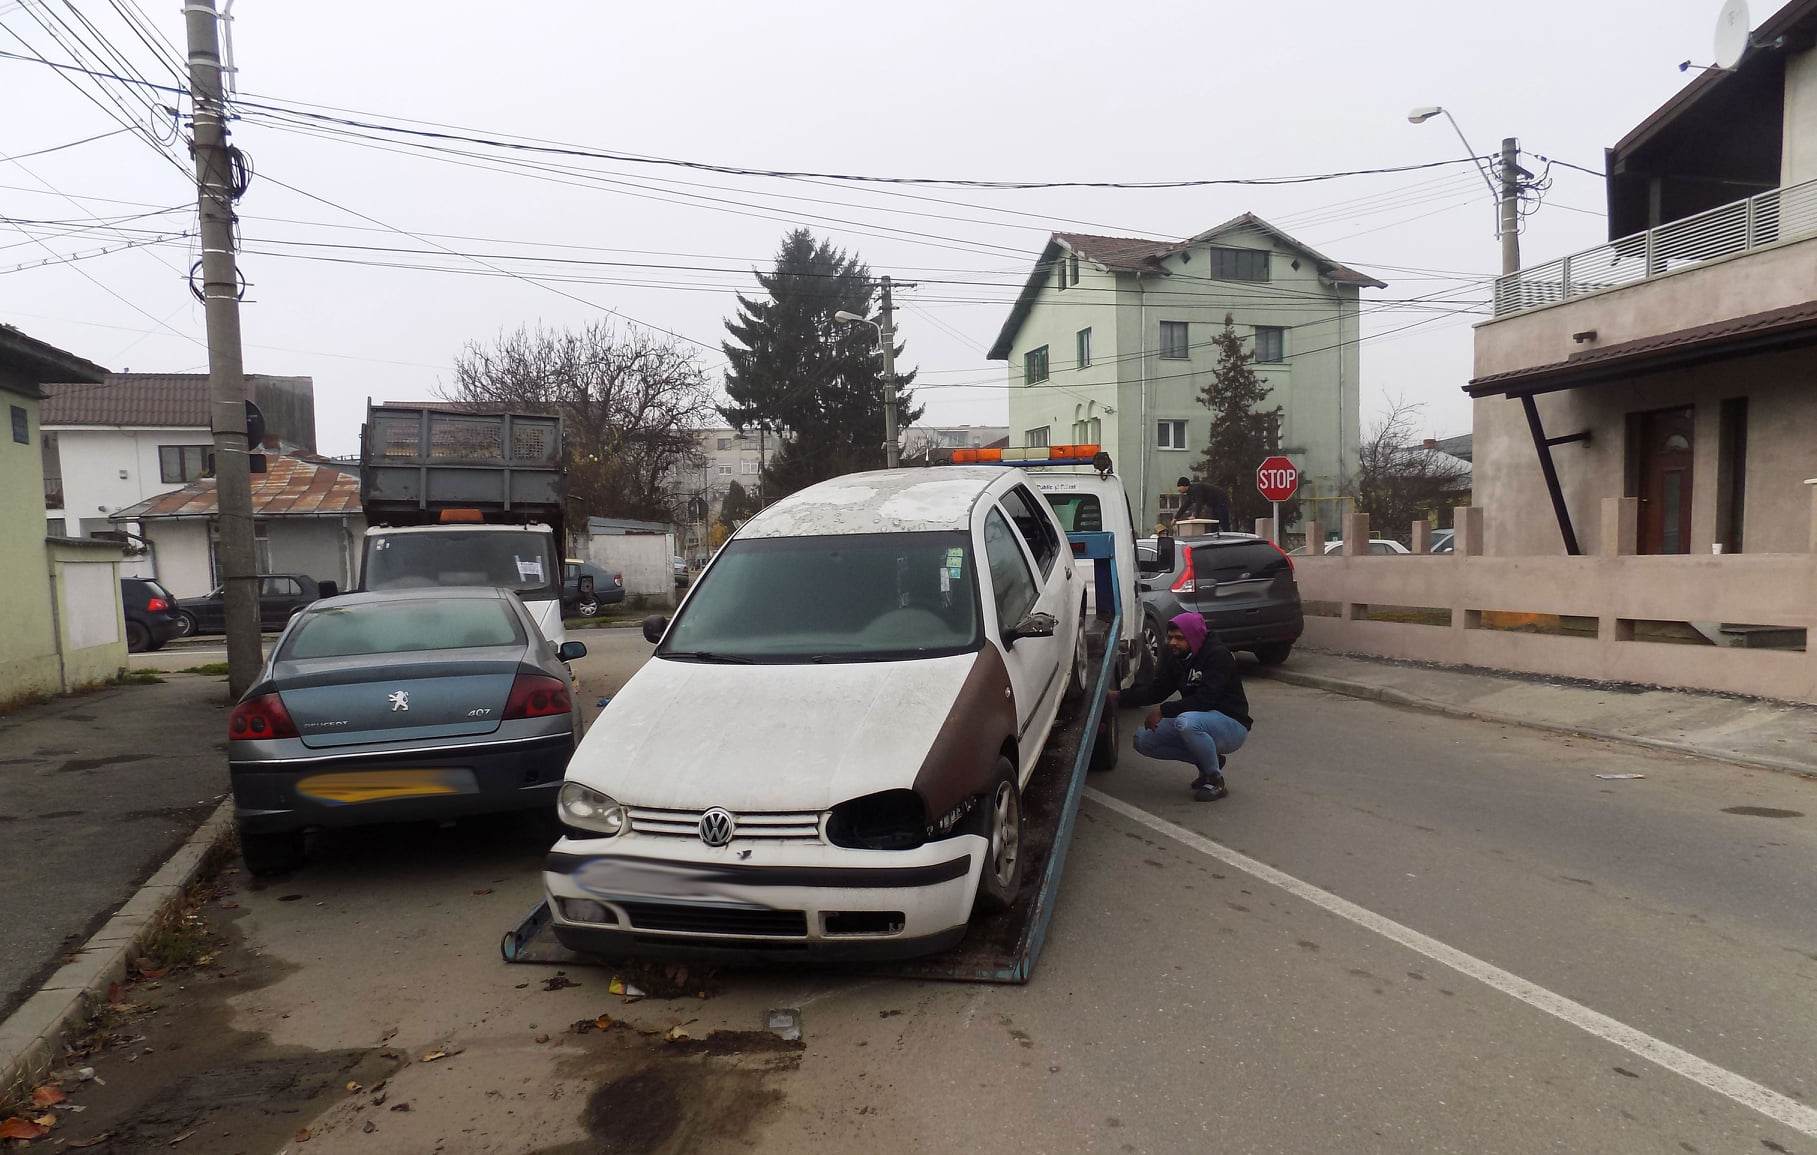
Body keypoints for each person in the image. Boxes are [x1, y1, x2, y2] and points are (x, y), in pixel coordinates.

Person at [1112, 612, 1251, 801]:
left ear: (1194, 637)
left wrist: (1163, 710)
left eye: (1179, 638)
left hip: (1232, 725)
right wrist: (1118, 696)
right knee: (1143, 740)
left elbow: (1205, 700)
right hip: (1199, 720)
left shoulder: (1218, 655)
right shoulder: (1174, 656)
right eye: (1170, 637)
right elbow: (1157, 691)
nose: (1173, 642)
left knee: (1186, 721)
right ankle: (1210, 761)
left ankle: (1215, 779)